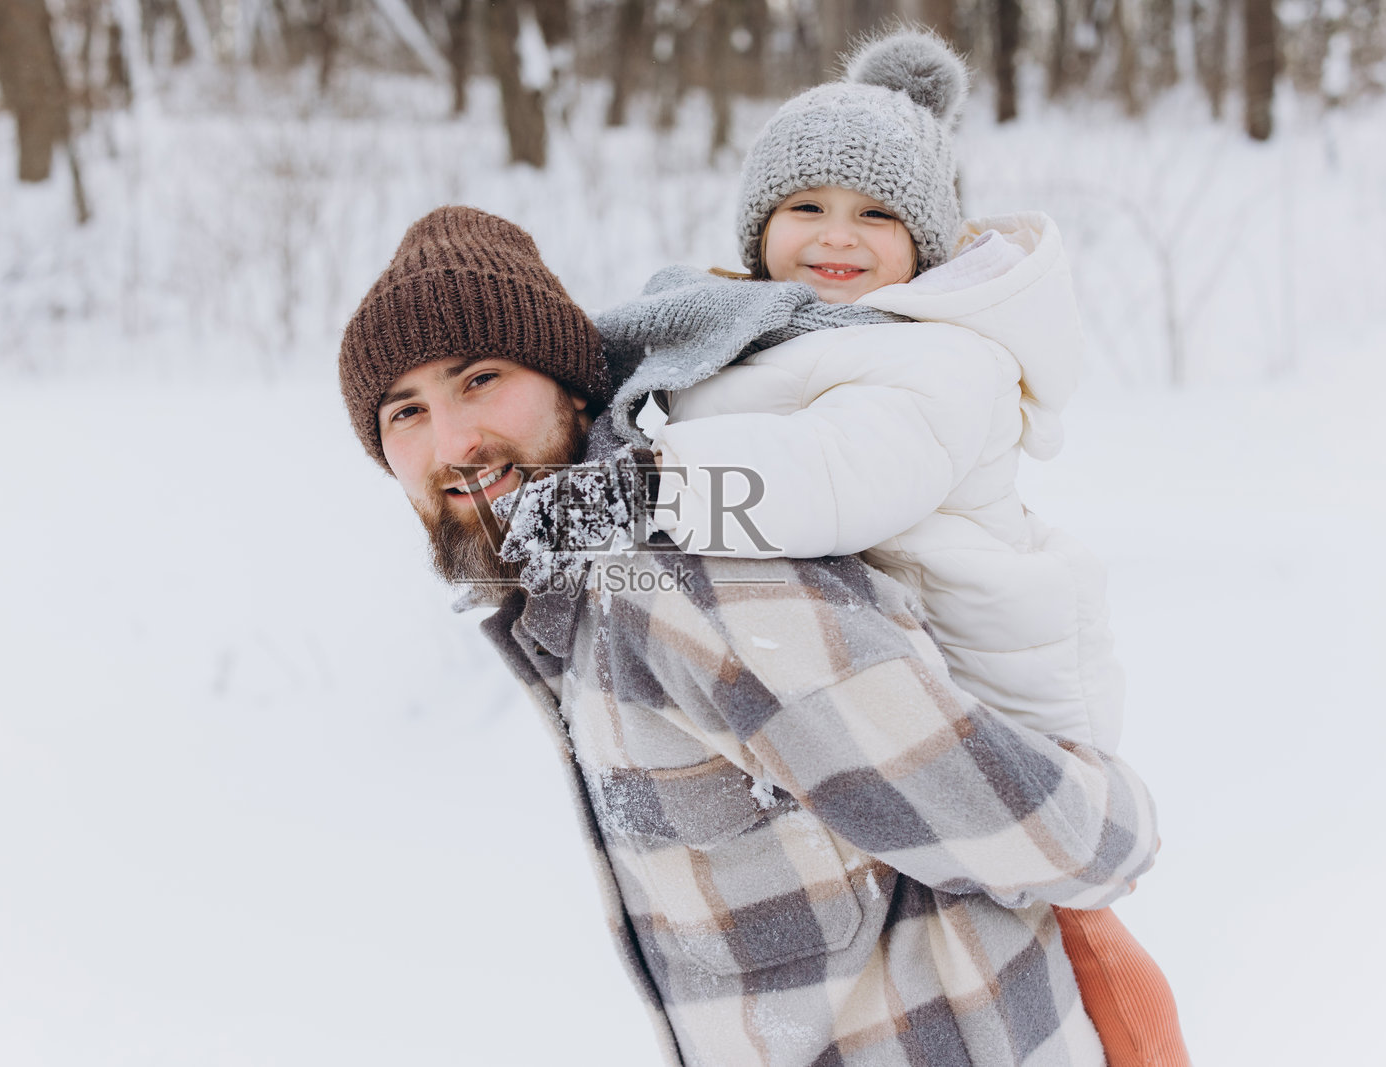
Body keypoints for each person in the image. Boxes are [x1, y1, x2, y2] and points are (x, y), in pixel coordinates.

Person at [337, 204, 1161, 1066]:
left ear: (571, 386)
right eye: (407, 413)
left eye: (480, 381)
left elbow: (1061, 833)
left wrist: (1118, 819)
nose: (454, 442)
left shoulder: (678, 586)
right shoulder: (575, 604)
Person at [583, 29, 1189, 1067]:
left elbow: (829, 475)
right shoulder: (770, 330)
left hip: (1002, 685)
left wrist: (645, 487)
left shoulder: (937, 360)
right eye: (805, 207)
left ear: (926, 243)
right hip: (887, 675)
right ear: (758, 223)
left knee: (1049, 927)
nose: (837, 237)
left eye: (875, 215)